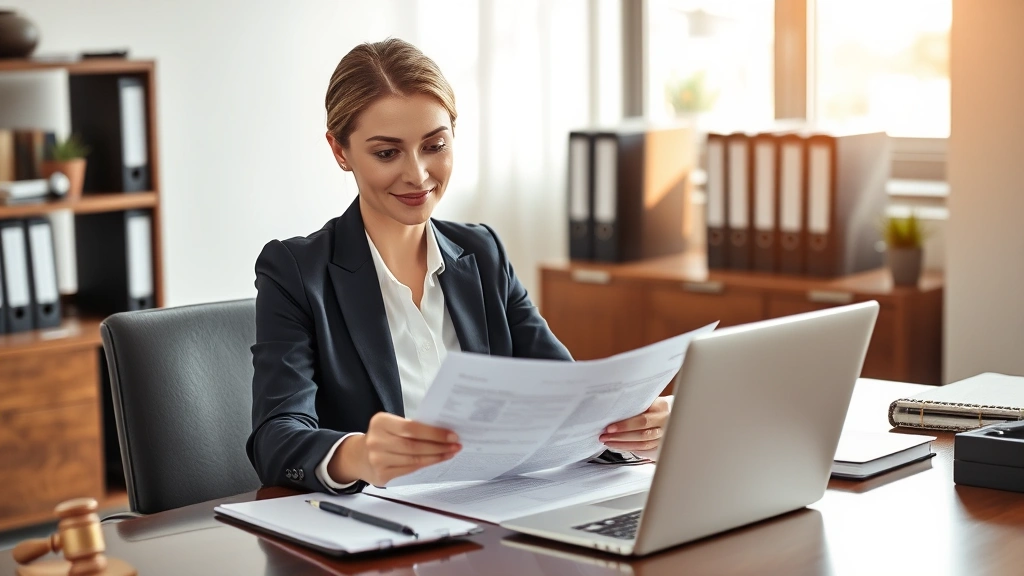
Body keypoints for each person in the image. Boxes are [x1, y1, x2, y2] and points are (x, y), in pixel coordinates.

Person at [246, 38, 671, 494]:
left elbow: (565, 401)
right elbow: (275, 439)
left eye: (434, 145)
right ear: (340, 151)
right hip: (378, 528)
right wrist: (359, 454)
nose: (418, 174)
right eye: (387, 153)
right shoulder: (295, 271)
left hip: (491, 511)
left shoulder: (482, 253)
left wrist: (632, 431)